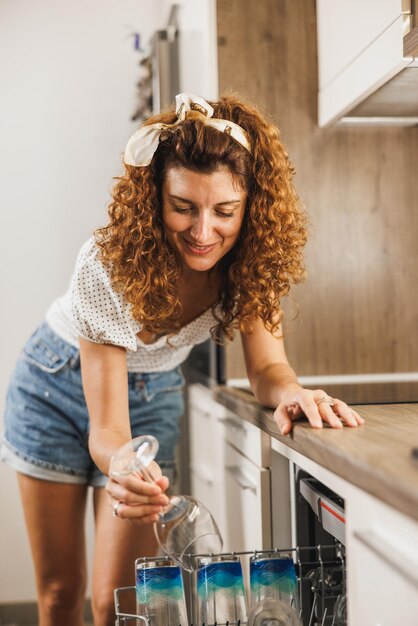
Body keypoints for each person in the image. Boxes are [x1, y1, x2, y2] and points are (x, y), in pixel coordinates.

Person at [1, 92, 364, 626]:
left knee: (119, 601)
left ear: (250, 206)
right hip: (55, 385)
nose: (202, 232)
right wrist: (120, 466)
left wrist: (294, 394)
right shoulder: (107, 264)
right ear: (154, 198)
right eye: (183, 207)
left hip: (154, 396)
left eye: (224, 211)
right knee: (59, 593)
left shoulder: (250, 263)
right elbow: (106, 430)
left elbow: (267, 370)